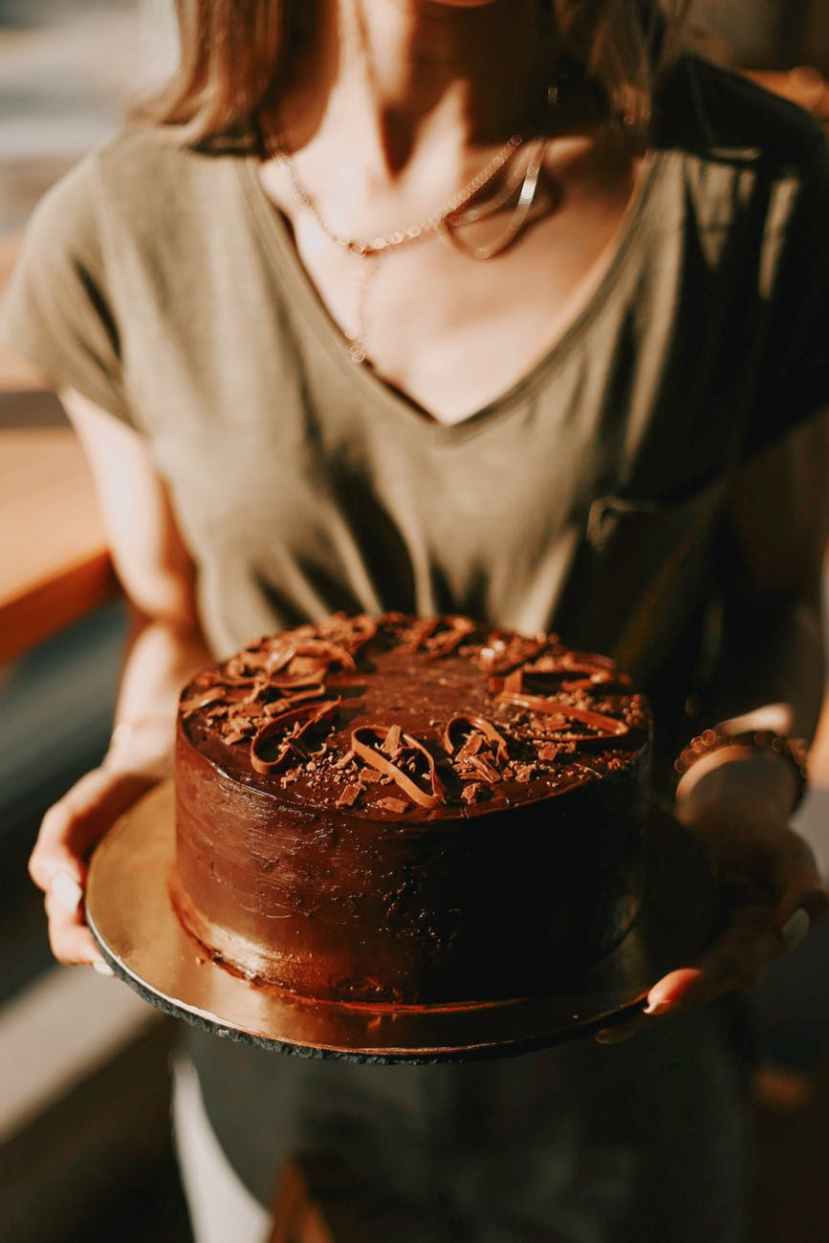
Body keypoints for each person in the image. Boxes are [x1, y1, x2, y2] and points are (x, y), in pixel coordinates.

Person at [3, 1, 829, 1239]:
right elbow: (170, 610)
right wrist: (141, 755)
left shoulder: (755, 189)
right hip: (269, 1056)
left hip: (623, 1038)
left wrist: (743, 787)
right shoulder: (125, 223)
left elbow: (774, 601)